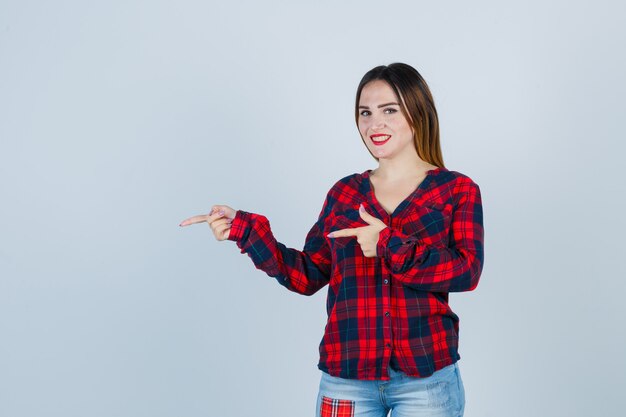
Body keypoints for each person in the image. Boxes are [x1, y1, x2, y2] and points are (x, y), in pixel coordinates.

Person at [180, 62, 484, 417]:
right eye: (365, 113)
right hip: (346, 380)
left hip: (427, 380)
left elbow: (466, 271)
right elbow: (307, 275)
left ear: (418, 112)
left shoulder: (457, 190)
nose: (375, 124)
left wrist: (387, 244)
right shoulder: (344, 193)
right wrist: (245, 231)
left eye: (389, 110)